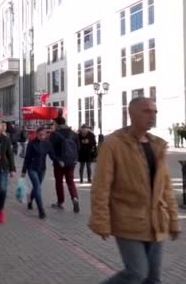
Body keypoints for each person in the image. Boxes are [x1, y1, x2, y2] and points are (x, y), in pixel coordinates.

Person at [90, 97, 180, 283]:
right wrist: (101, 220)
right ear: (130, 114)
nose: (152, 116)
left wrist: (173, 220)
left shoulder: (157, 145)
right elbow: (101, 186)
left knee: (153, 278)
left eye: (155, 111)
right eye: (147, 111)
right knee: (137, 272)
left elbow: (166, 188)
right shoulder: (113, 144)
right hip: (128, 221)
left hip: (157, 221)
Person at [21, 127, 56, 219]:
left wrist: (58, 161)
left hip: (42, 169)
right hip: (32, 168)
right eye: (40, 135)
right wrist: (24, 170)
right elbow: (27, 158)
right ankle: (41, 210)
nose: (41, 136)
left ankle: (30, 200)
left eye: (43, 135)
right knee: (37, 188)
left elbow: (52, 155)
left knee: (37, 188)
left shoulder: (47, 143)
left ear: (46, 135)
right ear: (36, 134)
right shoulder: (31, 144)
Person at [49, 116, 81, 213]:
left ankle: (60, 202)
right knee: (70, 181)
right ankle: (75, 198)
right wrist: (75, 159)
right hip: (71, 162)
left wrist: (57, 160)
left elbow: (51, 150)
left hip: (59, 163)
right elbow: (78, 147)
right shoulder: (73, 134)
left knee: (59, 182)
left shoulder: (54, 135)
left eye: (53, 123)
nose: (53, 125)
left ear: (57, 124)